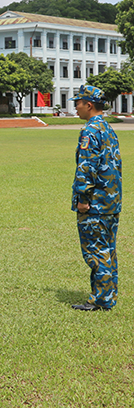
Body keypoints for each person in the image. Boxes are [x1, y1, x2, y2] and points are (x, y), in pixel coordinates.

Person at [70, 85, 122, 311]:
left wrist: (82, 197)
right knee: (108, 250)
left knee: (96, 252)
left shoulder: (91, 130)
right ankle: (108, 296)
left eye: (78, 103)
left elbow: (87, 167)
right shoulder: (108, 128)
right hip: (111, 201)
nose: (76, 107)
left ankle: (100, 300)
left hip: (96, 203)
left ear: (89, 105)